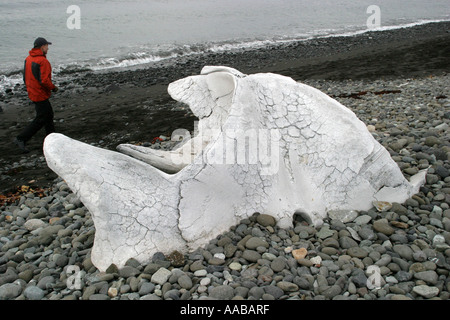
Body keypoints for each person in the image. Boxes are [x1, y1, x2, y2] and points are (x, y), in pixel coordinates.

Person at [15, 37, 58, 153]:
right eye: (47, 46)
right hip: (40, 94)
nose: (48, 48)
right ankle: (21, 138)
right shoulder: (42, 61)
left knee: (48, 116)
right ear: (42, 47)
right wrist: (53, 88)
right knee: (42, 118)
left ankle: (53, 139)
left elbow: (25, 77)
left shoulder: (28, 59)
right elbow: (44, 80)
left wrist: (30, 88)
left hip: (32, 91)